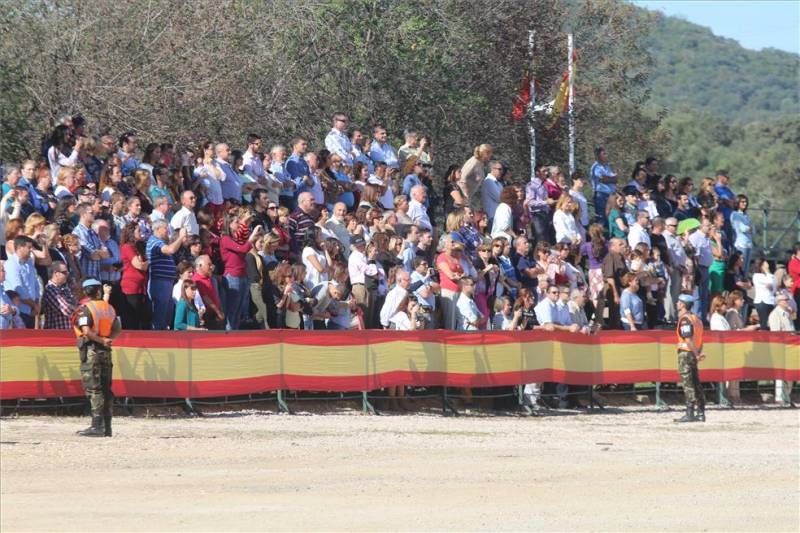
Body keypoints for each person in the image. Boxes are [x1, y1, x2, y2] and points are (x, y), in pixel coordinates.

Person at [73, 278, 121, 437]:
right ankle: (107, 427)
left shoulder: (85, 308)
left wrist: (100, 340)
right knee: (106, 389)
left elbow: (86, 330)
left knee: (94, 388)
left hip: (91, 351)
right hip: (105, 351)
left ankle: (96, 426)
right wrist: (108, 340)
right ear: (99, 291)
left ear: (85, 292)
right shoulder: (109, 308)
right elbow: (117, 327)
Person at [674, 294, 706, 423]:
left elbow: (688, 339)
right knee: (695, 382)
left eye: (678, 302)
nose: (676, 304)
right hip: (693, 353)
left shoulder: (685, 320)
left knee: (688, 383)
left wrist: (695, 353)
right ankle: (701, 412)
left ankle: (690, 412)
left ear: (682, 305)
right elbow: (700, 340)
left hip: (686, 352)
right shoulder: (696, 319)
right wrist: (697, 353)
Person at [769, 293, 796, 407]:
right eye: (785, 300)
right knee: (781, 373)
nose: (787, 301)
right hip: (780, 347)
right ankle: (780, 397)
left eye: (787, 300)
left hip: (789, 346)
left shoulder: (787, 313)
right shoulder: (775, 314)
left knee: (789, 372)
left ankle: (787, 396)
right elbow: (775, 332)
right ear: (779, 302)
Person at [42, 261, 77, 329]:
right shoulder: (50, 289)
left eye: (67, 272)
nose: (67, 274)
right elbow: (67, 310)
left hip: (69, 331)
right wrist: (74, 308)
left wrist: (73, 307)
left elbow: (75, 303)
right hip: (56, 333)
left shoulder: (65, 288)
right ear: (55, 273)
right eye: (64, 272)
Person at [590, 147, 617, 227]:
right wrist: (611, 179)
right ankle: (600, 237)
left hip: (610, 195)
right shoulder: (596, 167)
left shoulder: (607, 166)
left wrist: (611, 179)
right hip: (601, 195)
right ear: (598, 156)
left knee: (610, 216)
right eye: (604, 154)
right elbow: (603, 179)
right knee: (601, 218)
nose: (606, 155)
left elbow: (615, 179)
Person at [458, 144, 492, 208]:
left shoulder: (480, 163)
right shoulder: (474, 162)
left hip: (469, 197)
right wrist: (466, 195)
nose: (490, 156)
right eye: (489, 154)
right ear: (484, 154)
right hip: (463, 198)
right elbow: (462, 178)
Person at [752, 257, 776, 330]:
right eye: (765, 264)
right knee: (763, 322)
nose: (767, 265)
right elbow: (769, 283)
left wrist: (768, 273)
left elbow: (773, 286)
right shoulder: (757, 276)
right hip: (762, 301)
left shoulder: (769, 275)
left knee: (770, 322)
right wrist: (767, 272)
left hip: (770, 301)